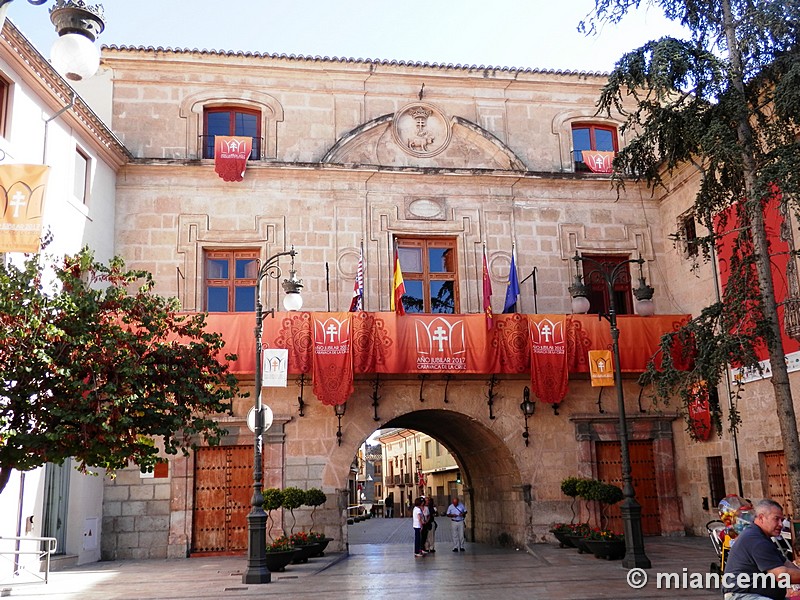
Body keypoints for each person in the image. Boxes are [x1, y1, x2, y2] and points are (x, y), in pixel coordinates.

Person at [723, 498, 800, 599]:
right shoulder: (756, 540)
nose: (781, 524)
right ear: (761, 518)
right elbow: (781, 575)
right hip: (743, 595)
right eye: (776, 519)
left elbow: (787, 564)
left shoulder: (760, 537)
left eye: (782, 520)